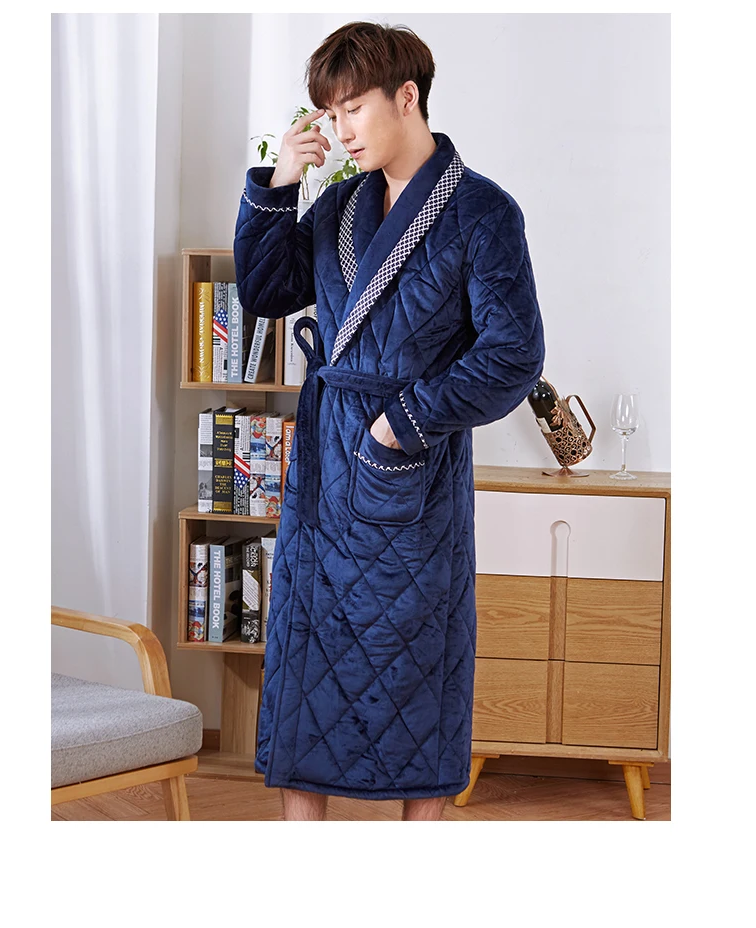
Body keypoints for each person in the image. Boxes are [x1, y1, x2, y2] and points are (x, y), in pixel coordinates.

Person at [233, 21, 546, 821]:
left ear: (407, 97)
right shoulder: (340, 205)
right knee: (307, 669)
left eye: (355, 109)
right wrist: (279, 183)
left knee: (414, 673)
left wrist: (401, 423)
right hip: (321, 481)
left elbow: (514, 354)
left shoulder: (482, 212)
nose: (342, 131)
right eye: (331, 115)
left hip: (405, 481)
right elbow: (265, 292)